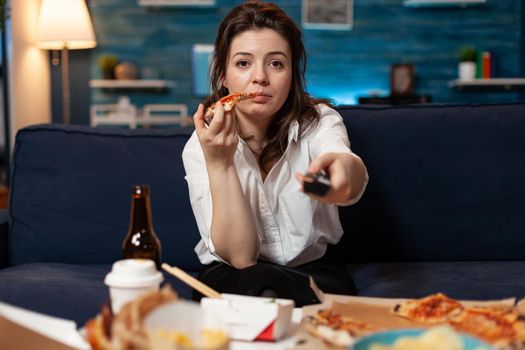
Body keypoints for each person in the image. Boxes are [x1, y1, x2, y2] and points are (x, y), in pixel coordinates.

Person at [182, 0, 368, 306]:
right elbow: (241, 258)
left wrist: (340, 176)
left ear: (292, 74)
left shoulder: (319, 121)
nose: (260, 78)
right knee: (256, 285)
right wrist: (220, 163)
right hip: (235, 274)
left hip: (313, 272)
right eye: (243, 63)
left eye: (276, 63)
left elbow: (348, 174)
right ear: (223, 76)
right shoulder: (202, 143)